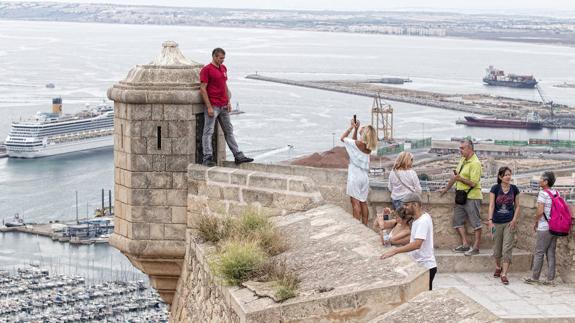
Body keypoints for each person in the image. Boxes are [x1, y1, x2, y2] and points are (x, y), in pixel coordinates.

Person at [200, 47, 253, 167]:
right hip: (213, 105)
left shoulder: (223, 68)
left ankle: (238, 155)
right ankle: (207, 157)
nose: (222, 60)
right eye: (220, 58)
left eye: (223, 58)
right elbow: (202, 89)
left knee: (229, 131)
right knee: (208, 132)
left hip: (223, 105)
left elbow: (224, 85)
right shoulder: (206, 70)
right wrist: (208, 107)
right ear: (214, 56)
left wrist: (228, 102)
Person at [381, 192, 437, 290]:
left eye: (406, 205)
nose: (404, 207)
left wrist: (394, 251)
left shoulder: (422, 221)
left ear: (415, 205)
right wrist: (386, 215)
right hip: (420, 265)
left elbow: (417, 244)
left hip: (425, 267)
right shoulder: (420, 218)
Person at [440, 139, 483, 256]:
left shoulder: (476, 163)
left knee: (476, 223)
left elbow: (474, 183)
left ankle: (476, 247)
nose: (460, 150)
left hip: (472, 196)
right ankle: (465, 244)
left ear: (470, 149)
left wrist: (460, 179)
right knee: (457, 220)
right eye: (460, 148)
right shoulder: (463, 160)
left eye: (462, 148)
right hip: (461, 196)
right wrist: (446, 189)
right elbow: (455, 176)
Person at [340, 118, 377, 225]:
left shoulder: (357, 144)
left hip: (355, 177)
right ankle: (364, 226)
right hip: (364, 178)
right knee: (363, 202)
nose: (362, 127)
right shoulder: (368, 147)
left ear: (365, 133)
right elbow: (354, 142)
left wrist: (351, 127)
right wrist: (356, 130)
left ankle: (356, 228)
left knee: (355, 204)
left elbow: (342, 138)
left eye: (363, 128)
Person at [524, 171, 558, 286]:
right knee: (551, 253)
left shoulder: (543, 193)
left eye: (541, 179)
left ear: (546, 181)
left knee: (539, 252)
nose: (539, 180)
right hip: (555, 227)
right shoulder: (556, 193)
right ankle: (550, 279)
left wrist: (536, 221)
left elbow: (540, 211)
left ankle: (535, 278)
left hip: (544, 227)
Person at [488, 166, 520, 285]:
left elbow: (517, 206)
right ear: (500, 176)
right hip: (496, 221)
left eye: (509, 174)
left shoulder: (514, 189)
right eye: (506, 174)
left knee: (507, 248)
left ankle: (504, 274)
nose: (508, 177)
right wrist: (490, 220)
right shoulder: (495, 188)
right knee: (497, 249)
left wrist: (514, 219)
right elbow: (491, 205)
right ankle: (498, 266)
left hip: (509, 222)